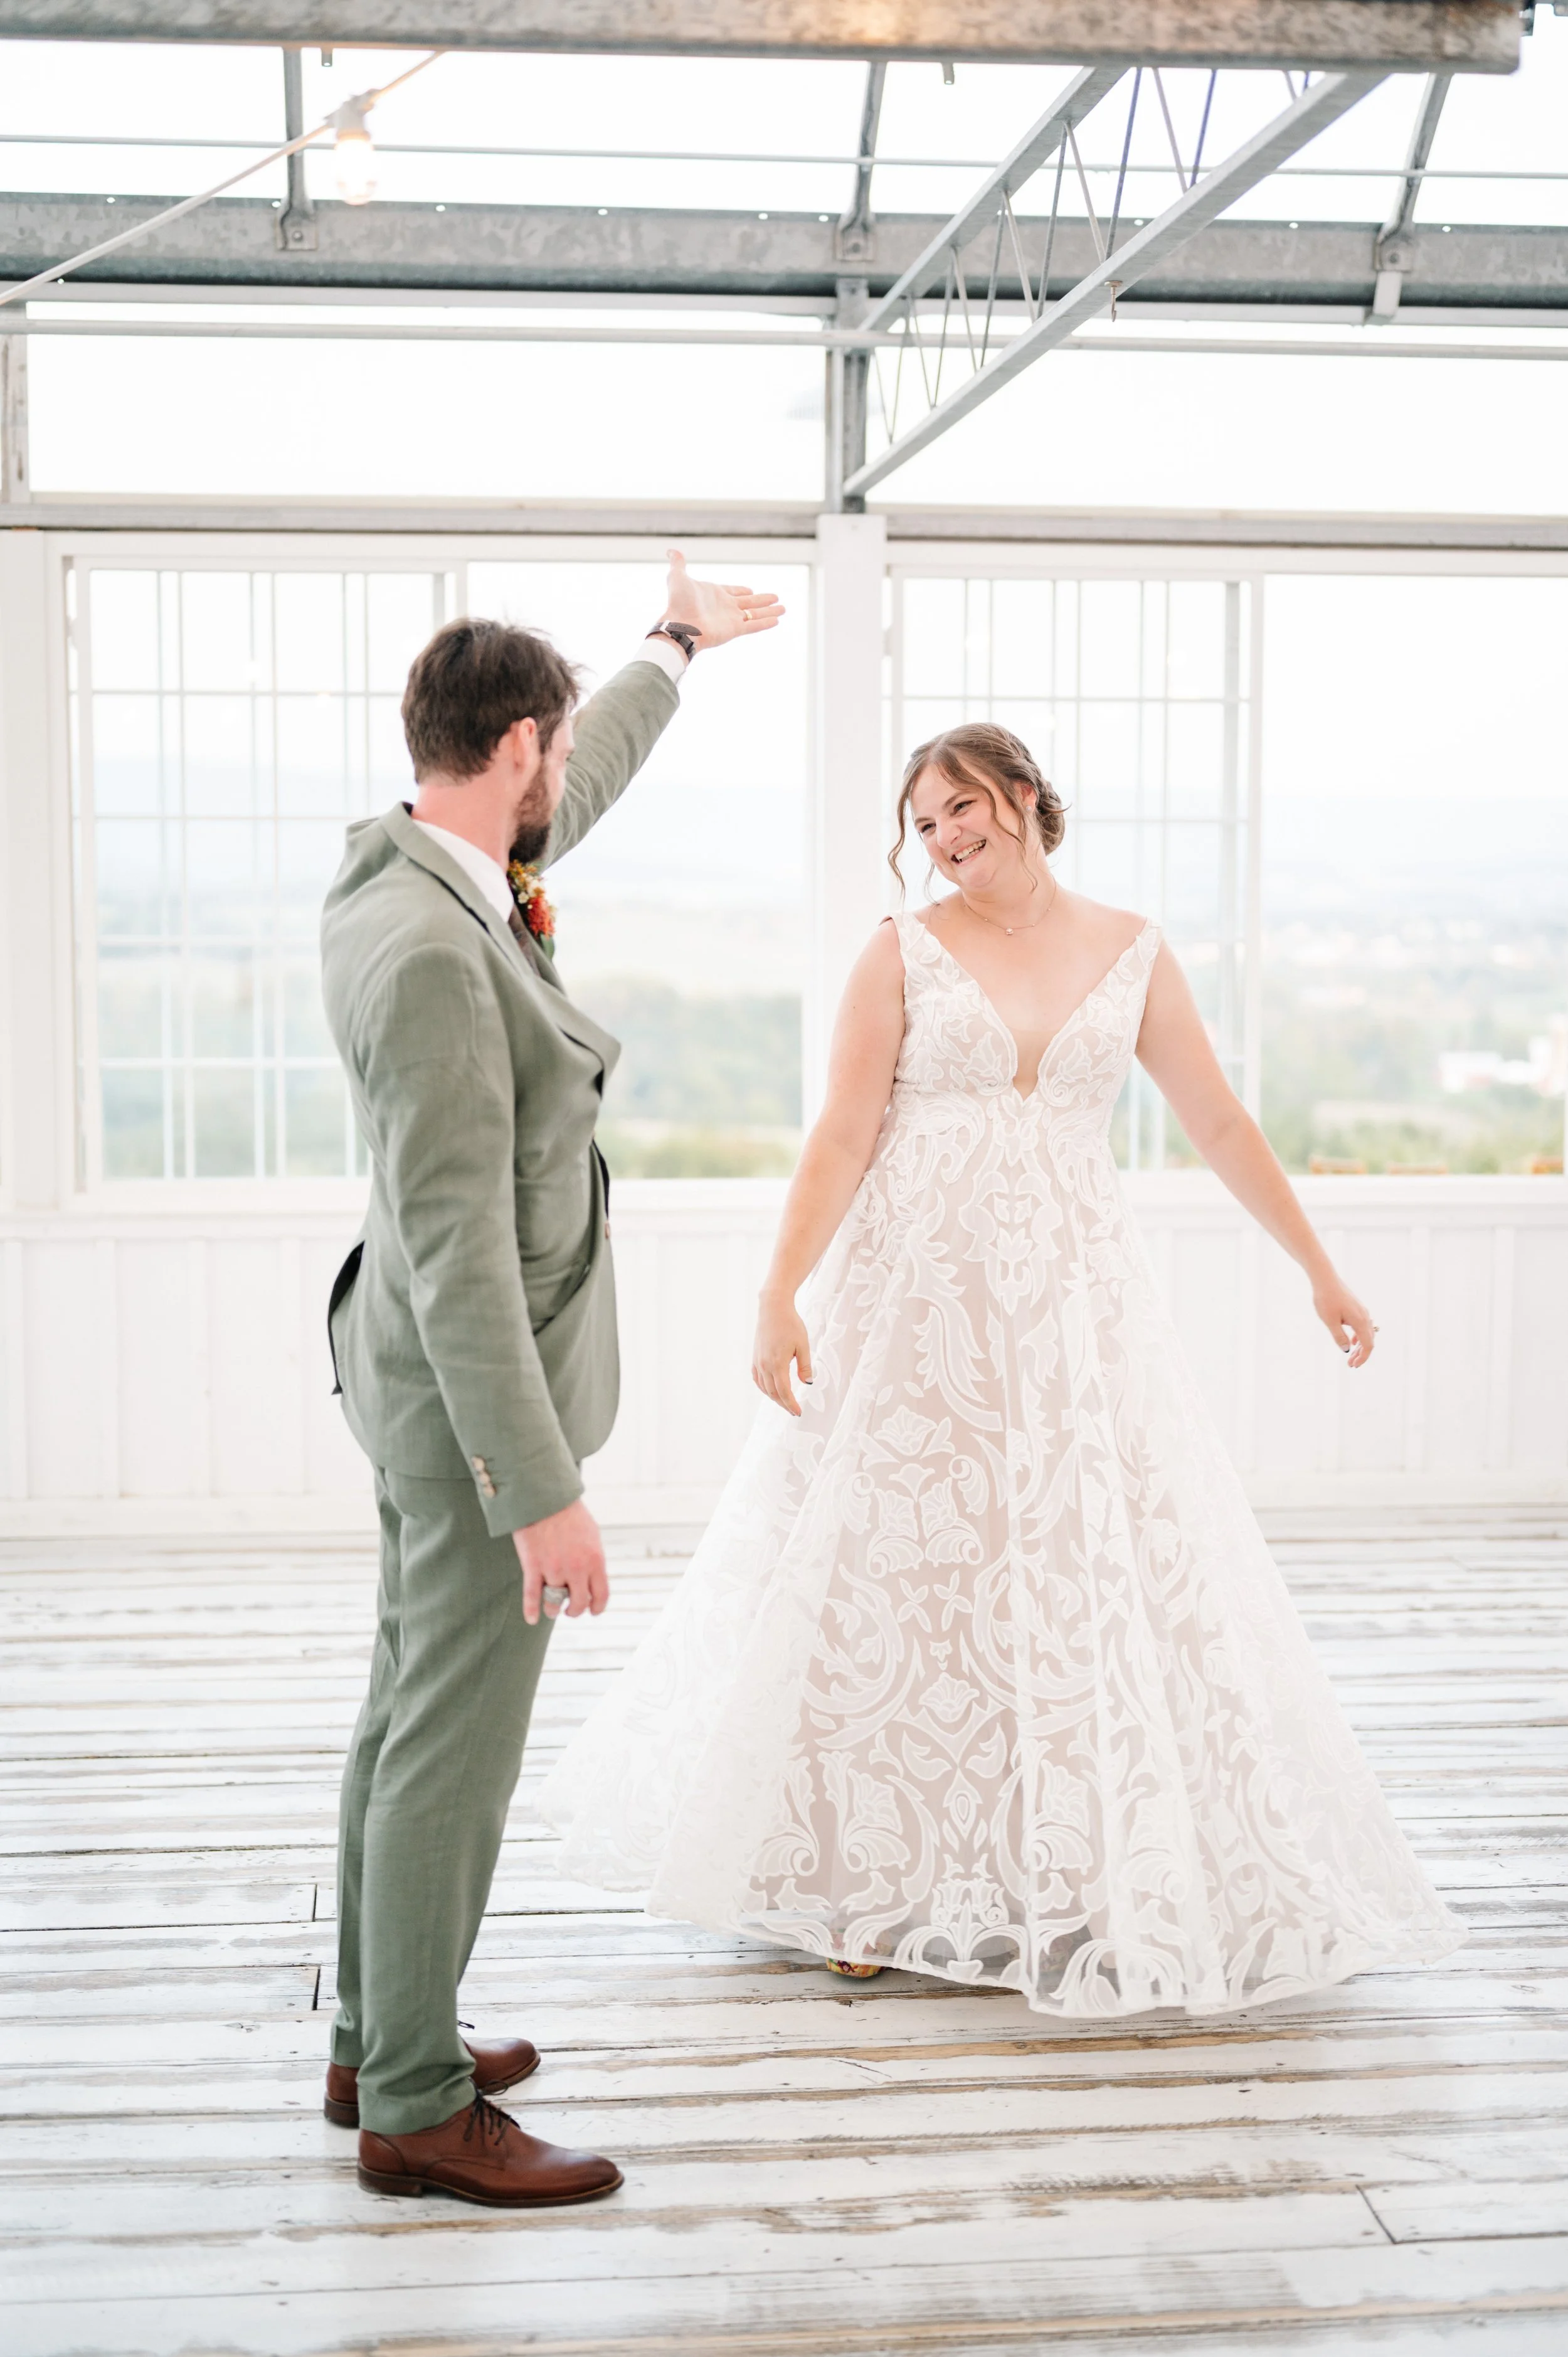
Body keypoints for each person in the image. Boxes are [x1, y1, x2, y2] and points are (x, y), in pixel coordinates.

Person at [541, 721, 1462, 2014]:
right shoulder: (900, 952)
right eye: (921, 824)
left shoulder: (1128, 949)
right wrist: (776, 1291)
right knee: (891, 1571)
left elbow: (1214, 1118)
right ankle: (851, 1879)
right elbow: (844, 1131)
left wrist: (1318, 1267)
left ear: (1023, 798)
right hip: (914, 1303)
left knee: (1071, 1568)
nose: (942, 839)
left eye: (959, 809)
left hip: (1071, 1314)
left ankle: (1069, 1869)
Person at [319, 551, 783, 2207]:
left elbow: (575, 790)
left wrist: (669, 646)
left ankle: (379, 2032)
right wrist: (544, 1491)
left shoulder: (414, 868)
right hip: (468, 1409)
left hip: (406, 1380)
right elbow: (452, 1244)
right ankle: (418, 2106)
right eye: (552, 750)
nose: (556, 780)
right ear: (513, 743)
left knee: (403, 1708)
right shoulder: (441, 951)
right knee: (453, 1739)